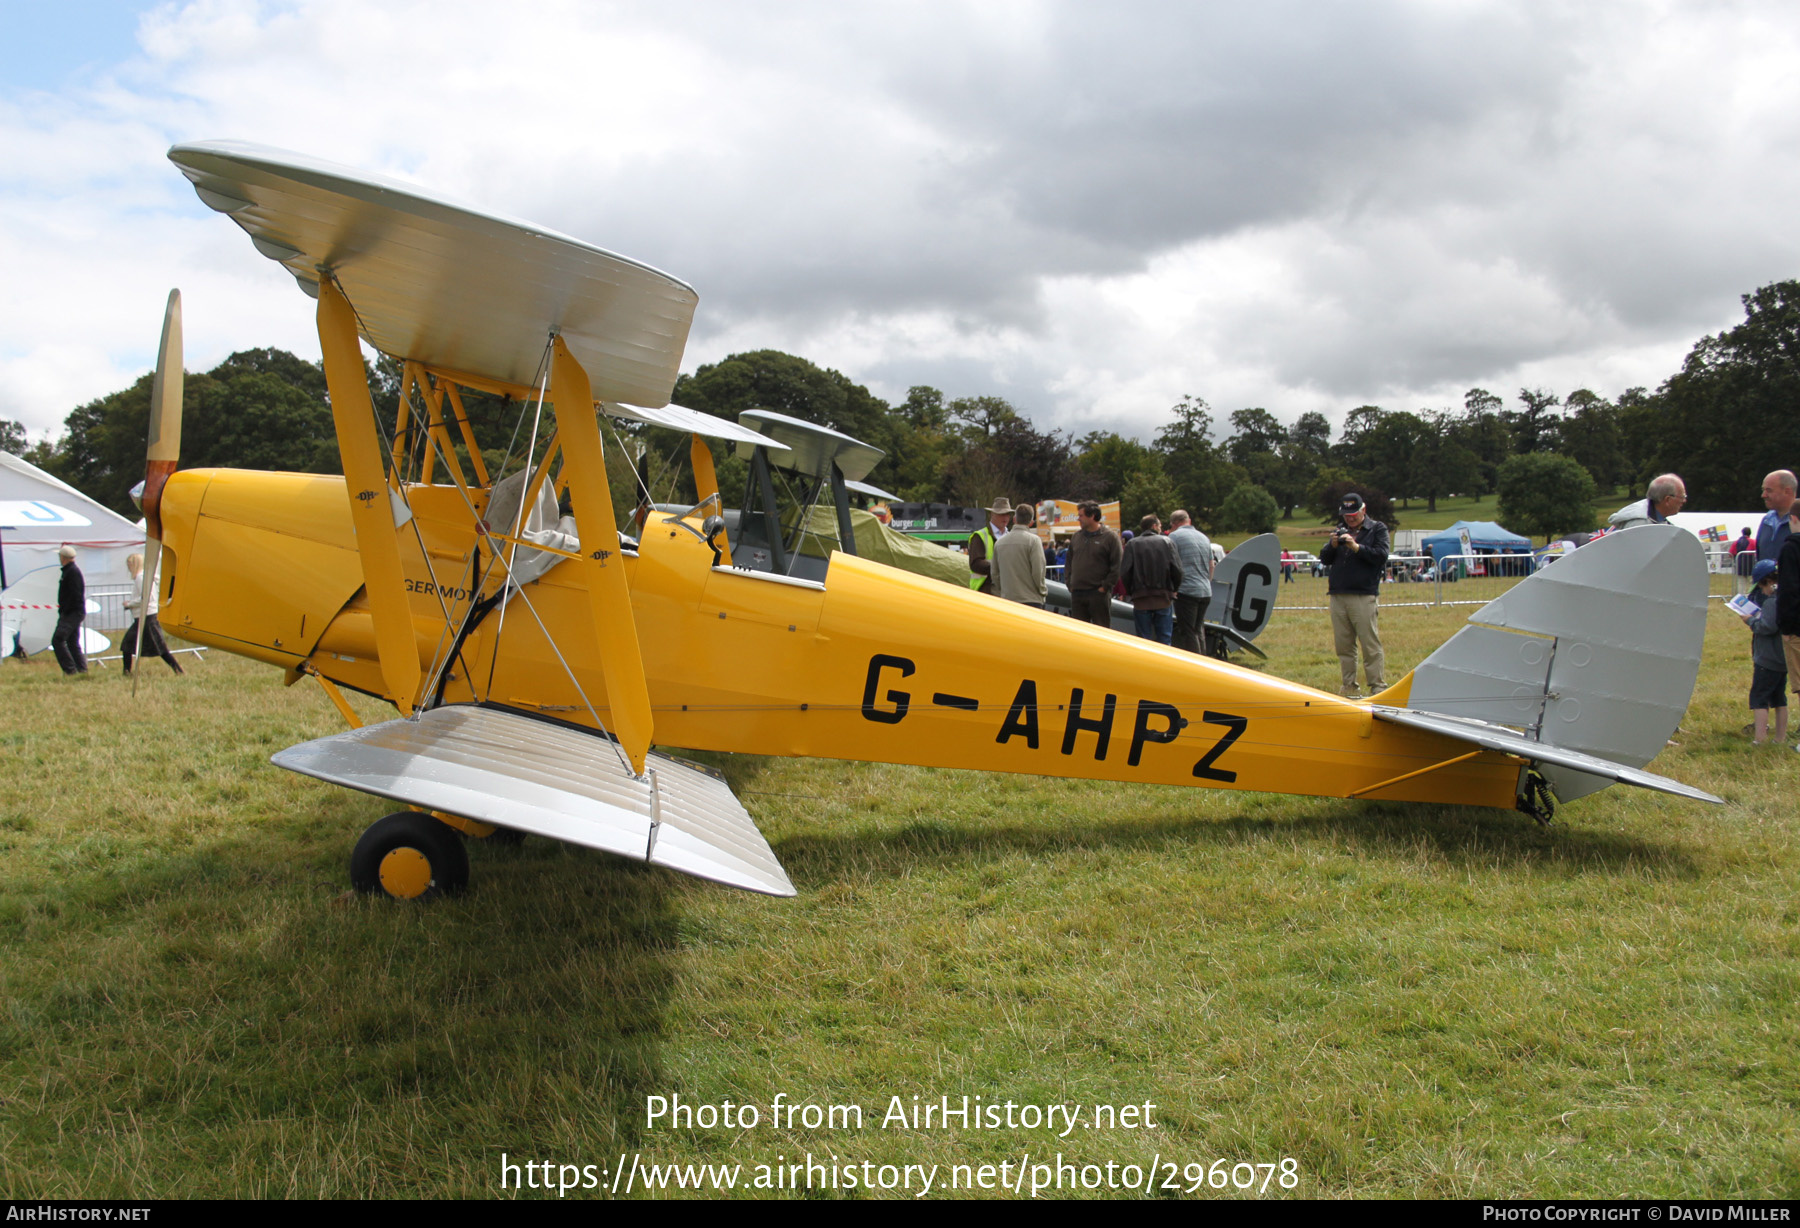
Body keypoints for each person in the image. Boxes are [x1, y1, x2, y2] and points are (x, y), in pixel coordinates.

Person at [1319, 492, 1389, 698]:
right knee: (1344, 644)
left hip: (1362, 594)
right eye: (1346, 515)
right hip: (1338, 594)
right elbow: (1324, 559)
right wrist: (1332, 545)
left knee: (1369, 643)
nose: (1349, 518)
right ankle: (1349, 685)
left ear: (1363, 510)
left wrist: (1356, 547)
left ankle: (1377, 686)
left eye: (1353, 514)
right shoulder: (1339, 530)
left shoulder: (1377, 529)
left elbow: (1380, 556)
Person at [1741, 559, 1786, 745]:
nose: (1761, 590)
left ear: (1769, 582)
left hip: (1767, 660)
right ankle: (1780, 738)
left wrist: (1750, 621)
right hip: (1782, 660)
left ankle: (1759, 739)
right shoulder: (1787, 598)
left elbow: (1766, 627)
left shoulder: (1771, 603)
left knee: (1759, 698)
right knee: (1779, 699)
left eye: (1761, 585)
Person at [1119, 514, 1182, 644]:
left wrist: (1132, 590)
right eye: (1159, 525)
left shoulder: (1132, 544)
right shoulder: (1167, 542)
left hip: (1140, 597)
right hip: (1163, 596)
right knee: (1164, 637)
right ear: (1154, 526)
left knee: (1143, 639)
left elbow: (1125, 572)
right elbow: (1177, 569)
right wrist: (1174, 588)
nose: (1161, 528)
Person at [122, 552, 185, 676]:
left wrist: (129, 604)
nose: (128, 568)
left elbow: (146, 598)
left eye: (129, 564)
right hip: (145, 617)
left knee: (159, 647)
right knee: (128, 645)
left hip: (147, 617)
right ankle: (126, 672)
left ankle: (178, 670)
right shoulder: (144, 577)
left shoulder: (141, 578)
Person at [1065, 500, 1121, 627]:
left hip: (1098, 594)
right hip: (1077, 593)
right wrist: (1069, 583)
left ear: (1092, 516)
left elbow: (1116, 566)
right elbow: (1068, 562)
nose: (1078, 519)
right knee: (1079, 633)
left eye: (1081, 515)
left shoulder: (1110, 537)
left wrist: (1105, 587)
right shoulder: (1076, 537)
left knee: (1101, 631)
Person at [1167, 509, 1213, 654]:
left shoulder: (1174, 536)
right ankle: (1204, 661)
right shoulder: (1204, 537)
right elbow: (1211, 565)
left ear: (1174, 524)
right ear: (1189, 521)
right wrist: (1207, 581)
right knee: (1199, 629)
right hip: (1205, 590)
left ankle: (1196, 665)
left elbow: (1171, 563)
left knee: (1188, 631)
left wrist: (1172, 587)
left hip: (1187, 590)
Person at [994, 500, 1047, 608]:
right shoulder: (1034, 541)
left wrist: (1003, 590)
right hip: (1030, 598)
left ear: (1014, 519)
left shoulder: (999, 543)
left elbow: (995, 573)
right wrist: (1042, 590)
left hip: (1008, 599)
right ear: (1031, 522)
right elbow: (1038, 571)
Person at [51, 544, 87, 675]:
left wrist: (66, 610)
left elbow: (75, 594)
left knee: (58, 640)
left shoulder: (72, 572)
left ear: (63, 557)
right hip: (74, 611)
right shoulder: (70, 571)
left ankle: (70, 669)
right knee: (72, 642)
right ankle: (82, 669)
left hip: (72, 612)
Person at [967, 497, 1013, 595]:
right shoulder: (979, 536)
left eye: (1007, 514)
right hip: (985, 590)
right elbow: (975, 564)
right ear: (992, 514)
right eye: (1001, 514)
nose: (1005, 517)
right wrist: (1000, 567)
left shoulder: (1011, 536)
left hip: (1006, 589)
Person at [1608, 473, 1686, 530]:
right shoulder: (1639, 524)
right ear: (1667, 500)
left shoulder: (1660, 520)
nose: (1684, 501)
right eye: (1682, 497)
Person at [1756, 470, 1796, 564]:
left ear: (1787, 491)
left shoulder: (1797, 520)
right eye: (1763, 490)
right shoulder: (1766, 520)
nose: (1763, 495)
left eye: (1769, 490)